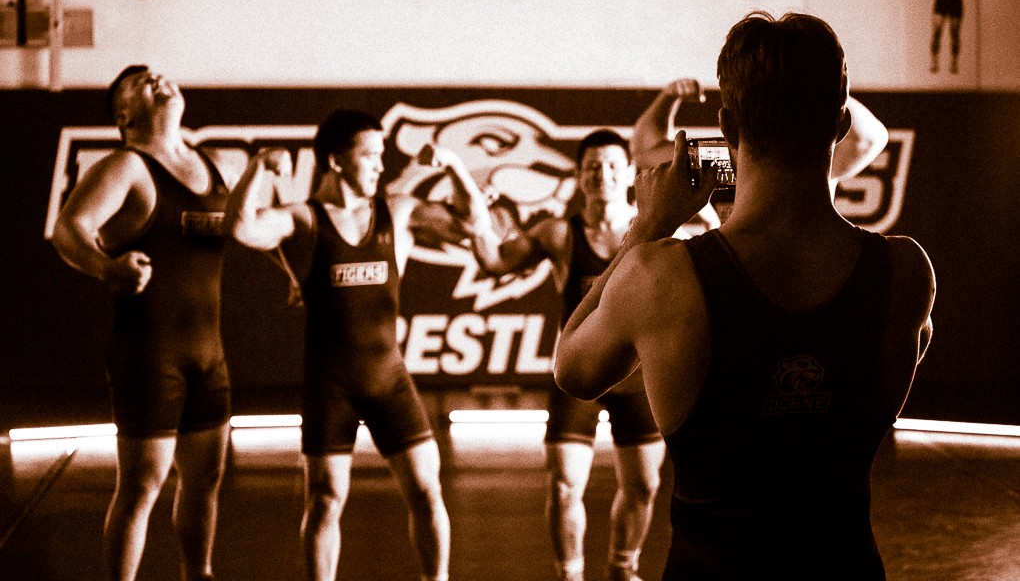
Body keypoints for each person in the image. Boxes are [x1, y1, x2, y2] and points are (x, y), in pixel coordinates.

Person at [554, 12, 935, 579]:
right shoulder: (905, 270)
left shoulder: (661, 276)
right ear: (837, 126)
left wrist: (644, 231)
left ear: (728, 127)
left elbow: (573, 370)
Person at [223, 109, 467, 581]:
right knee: (326, 499)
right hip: (330, 384)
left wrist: (453, 168)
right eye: (370, 155)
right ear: (336, 161)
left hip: (390, 380)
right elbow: (241, 228)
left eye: (382, 154)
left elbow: (473, 227)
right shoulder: (306, 219)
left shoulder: (394, 210)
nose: (380, 164)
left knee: (426, 490)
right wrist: (257, 168)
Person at [51, 66, 244, 581]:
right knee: (143, 484)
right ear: (124, 114)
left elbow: (250, 230)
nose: (158, 79)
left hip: (208, 352)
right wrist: (107, 268)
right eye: (141, 82)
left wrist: (293, 271)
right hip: (149, 352)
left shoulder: (214, 165)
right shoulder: (126, 166)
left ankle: (197, 573)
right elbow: (69, 229)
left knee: (205, 479)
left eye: (158, 74)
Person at [449, 128, 667, 581]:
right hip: (579, 374)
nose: (600, 175)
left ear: (628, 172)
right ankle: (569, 574)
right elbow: (495, 262)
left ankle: (622, 568)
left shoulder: (654, 229)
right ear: (577, 175)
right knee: (566, 484)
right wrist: (476, 221)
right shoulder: (558, 233)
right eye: (591, 166)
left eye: (610, 165)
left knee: (644, 485)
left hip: (637, 377)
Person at [630, 78, 889, 202]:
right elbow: (646, 154)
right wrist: (668, 96)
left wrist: (816, 84)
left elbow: (870, 139)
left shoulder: (805, 160)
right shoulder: (725, 159)